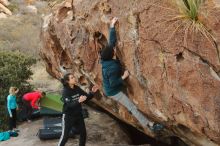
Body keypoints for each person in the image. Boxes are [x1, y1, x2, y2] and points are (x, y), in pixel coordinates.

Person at [98, 17, 163, 132]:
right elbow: (113, 83)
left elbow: (111, 43)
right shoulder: (111, 68)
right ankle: (150, 125)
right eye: (113, 51)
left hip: (112, 85)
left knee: (130, 102)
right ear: (111, 55)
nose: (114, 50)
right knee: (132, 107)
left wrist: (112, 26)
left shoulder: (106, 58)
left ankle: (132, 110)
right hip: (114, 91)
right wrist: (124, 76)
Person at [58, 73, 99, 146]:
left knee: (83, 133)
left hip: (78, 115)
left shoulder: (76, 88)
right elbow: (70, 104)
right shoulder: (65, 91)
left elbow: (86, 97)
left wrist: (92, 92)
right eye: (72, 77)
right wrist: (78, 101)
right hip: (68, 116)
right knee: (65, 136)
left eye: (74, 77)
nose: (74, 78)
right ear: (68, 81)